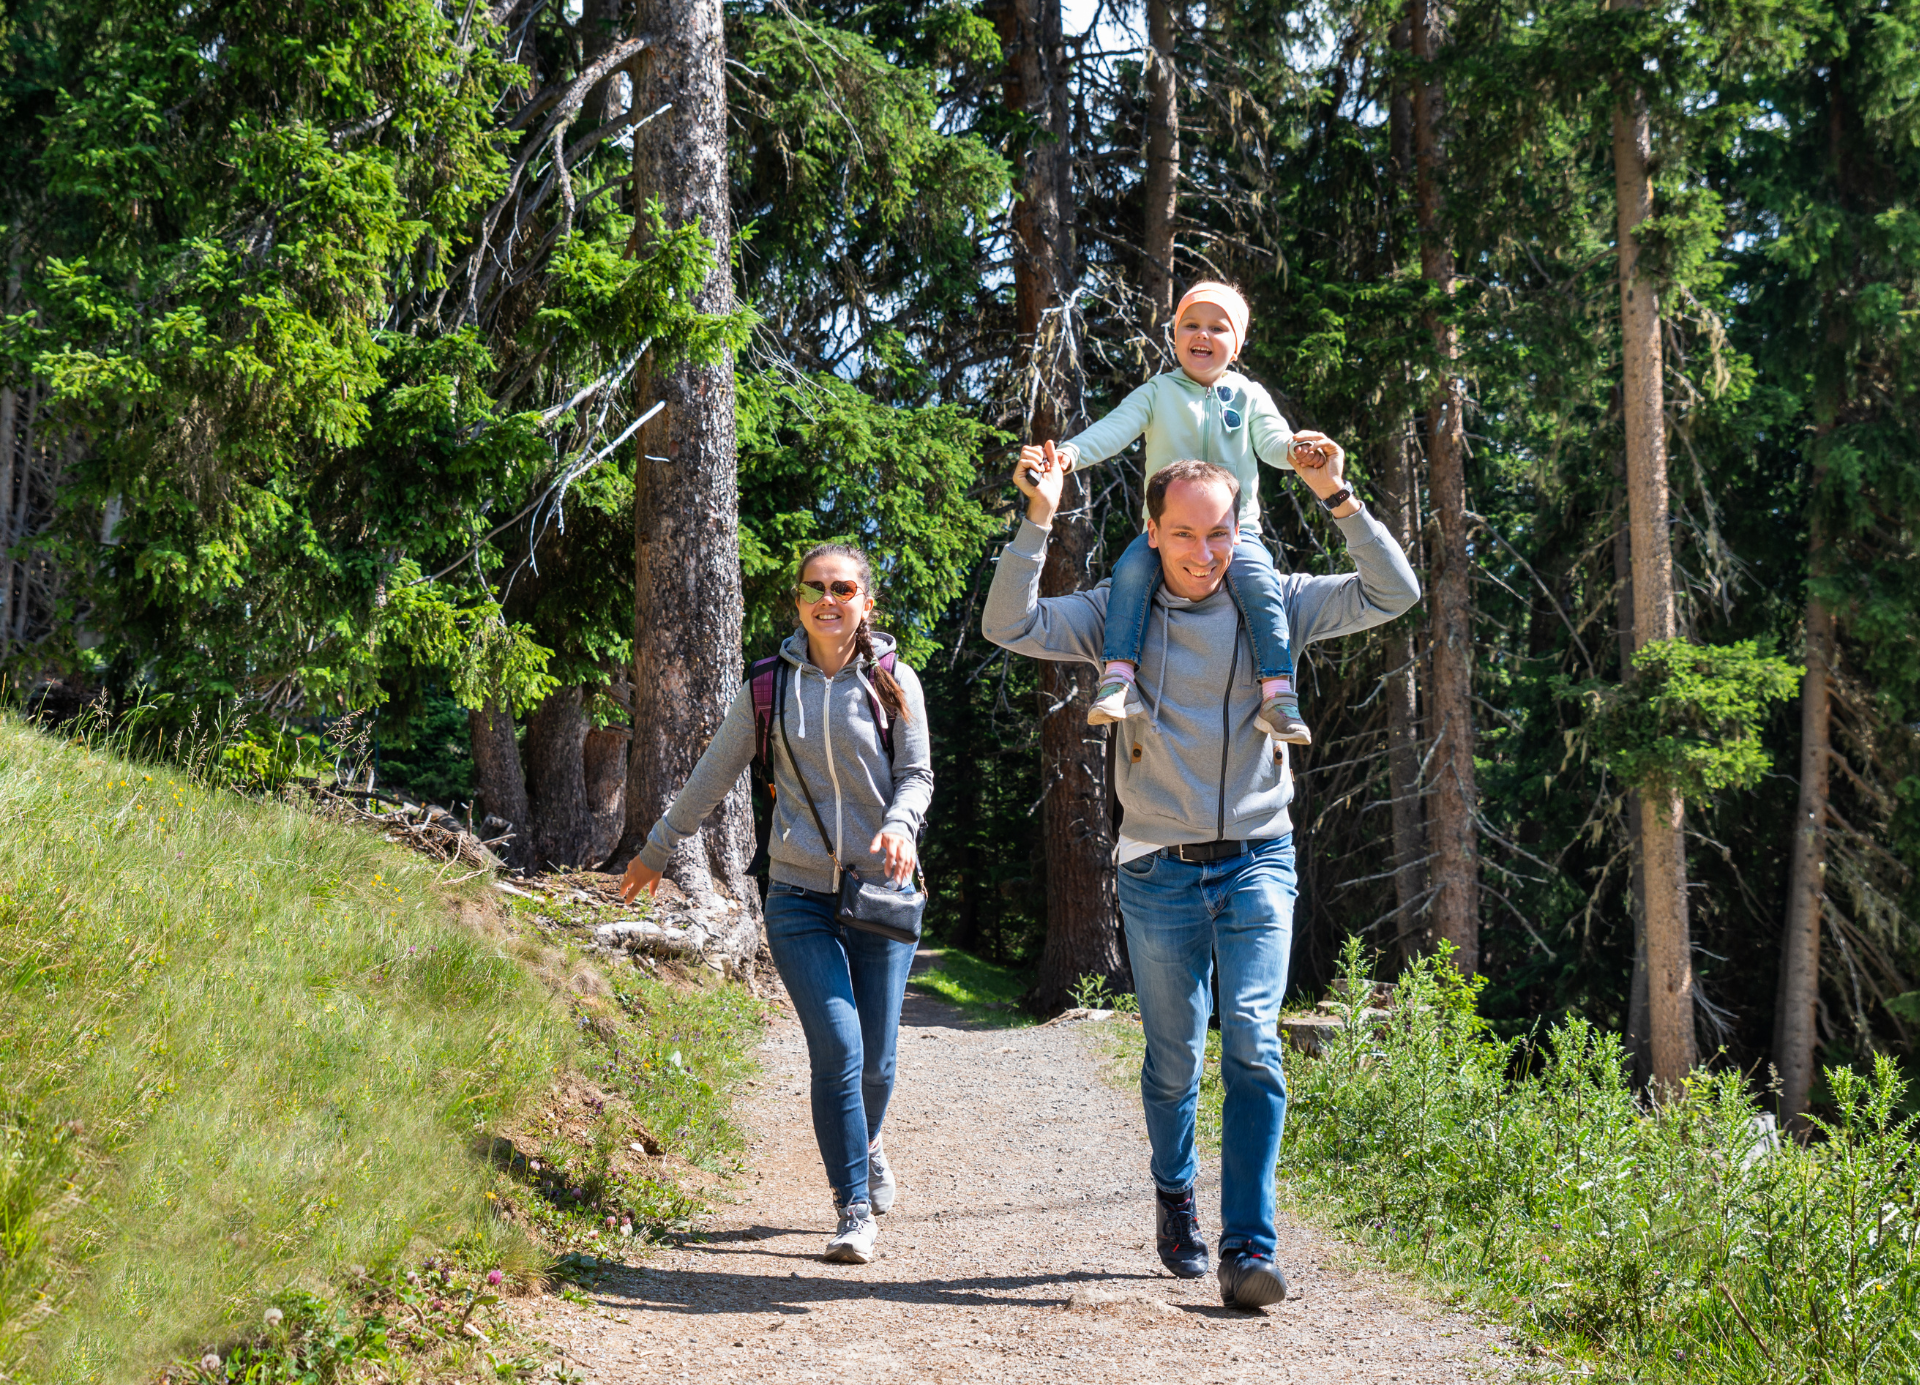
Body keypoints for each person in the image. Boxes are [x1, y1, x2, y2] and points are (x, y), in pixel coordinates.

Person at [982, 451, 1419, 1308]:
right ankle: (1174, 1186)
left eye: (1219, 532)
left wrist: (1337, 496)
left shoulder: (1278, 602)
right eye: (1183, 532)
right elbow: (1010, 622)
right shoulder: (1117, 612)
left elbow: (1393, 591)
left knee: (1253, 1040)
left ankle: (1249, 1248)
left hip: (1259, 854)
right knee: (1175, 1058)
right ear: (1152, 532)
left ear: (1239, 530)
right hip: (1157, 868)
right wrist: (1038, 518)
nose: (1203, 551)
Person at [620, 542, 932, 1265]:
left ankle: (866, 1141)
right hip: (796, 894)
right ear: (798, 601)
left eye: (843, 588)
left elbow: (916, 774)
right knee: (840, 1048)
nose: (828, 599)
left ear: (866, 602)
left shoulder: (893, 679)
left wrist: (899, 825)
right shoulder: (770, 685)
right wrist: (658, 847)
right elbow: (713, 773)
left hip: (882, 890)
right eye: (815, 588)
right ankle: (853, 1207)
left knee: (878, 1062)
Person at [1019, 281, 1330, 745]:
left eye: (1217, 328)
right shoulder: (1158, 392)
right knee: (1130, 574)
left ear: (1237, 345)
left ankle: (1277, 693)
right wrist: (1068, 456)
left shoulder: (1248, 395)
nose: (1202, 335)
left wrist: (1296, 451)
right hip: (1168, 534)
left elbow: (1272, 440)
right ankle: (1119, 679)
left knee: (1260, 582)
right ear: (1175, 336)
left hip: (1235, 533)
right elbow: (1113, 429)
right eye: (1190, 325)